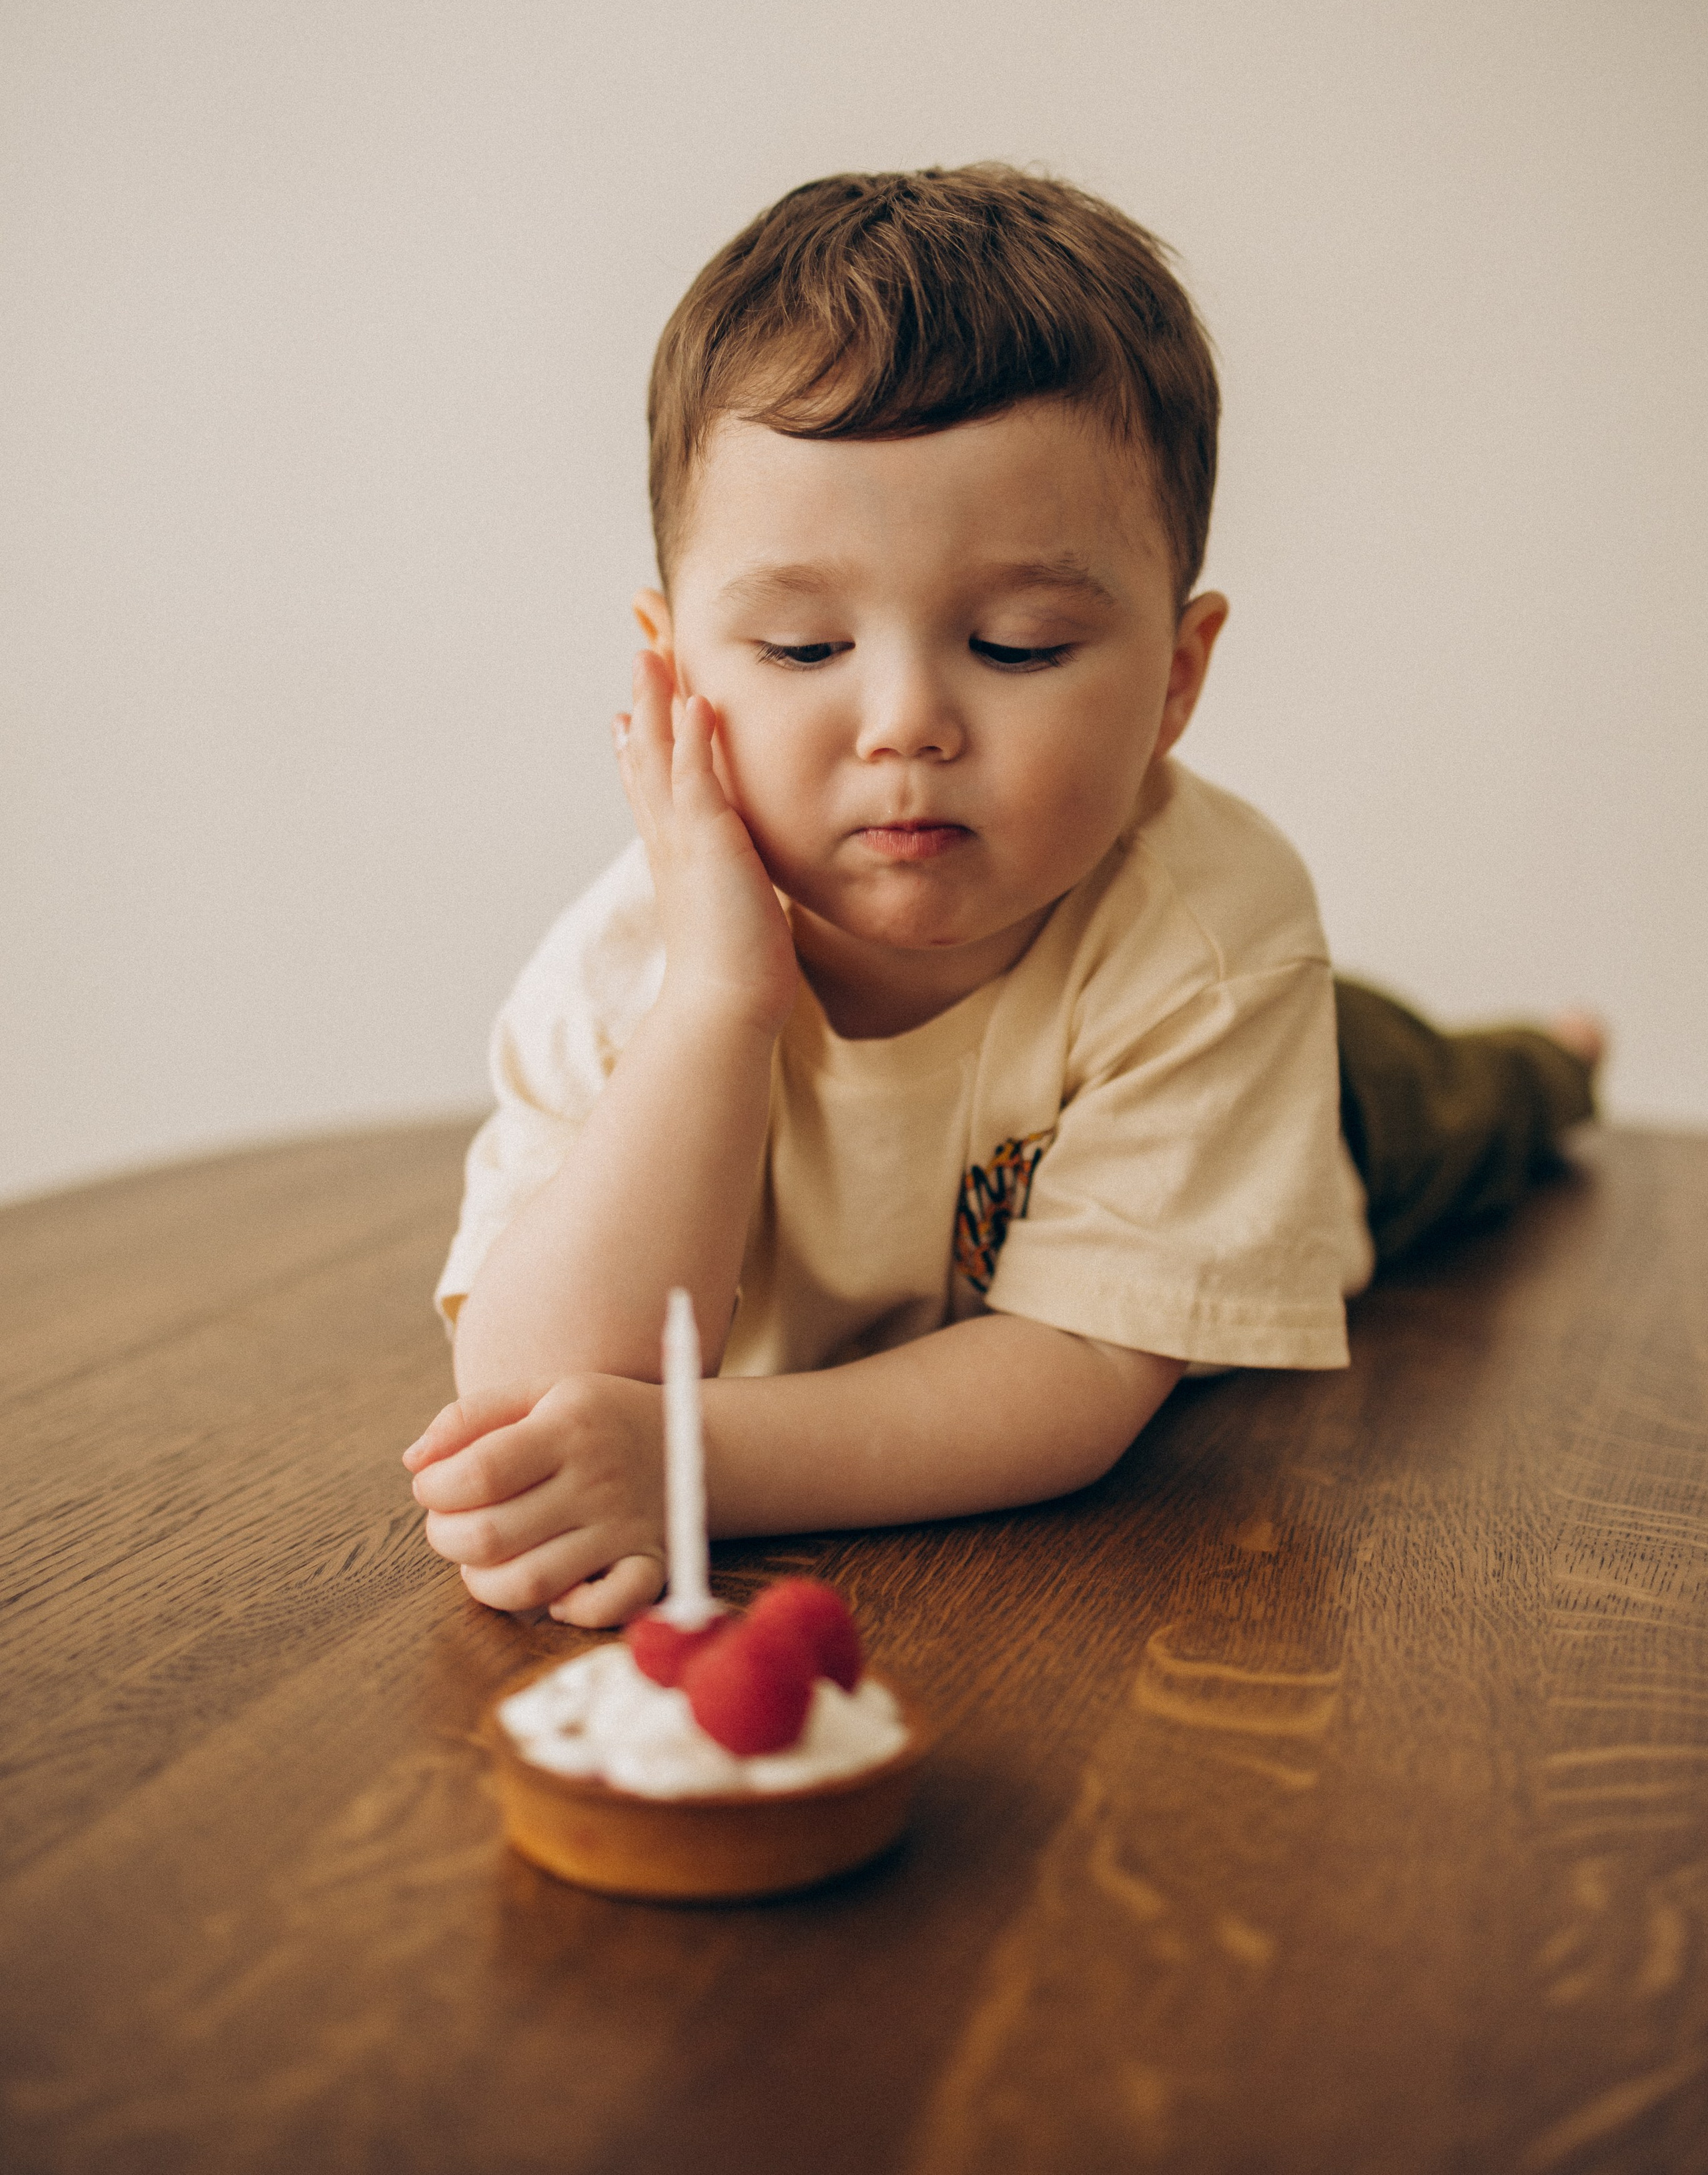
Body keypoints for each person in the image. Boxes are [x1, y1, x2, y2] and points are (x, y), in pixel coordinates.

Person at [404, 165, 1599, 1628]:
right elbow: (529, 1400)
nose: (904, 722)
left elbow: (1076, 1373)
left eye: (1019, 646)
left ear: (1174, 677)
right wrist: (723, 1001)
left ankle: (1557, 1057)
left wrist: (693, 1464)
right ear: (671, 674)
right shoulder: (629, 965)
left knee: (1465, 1099)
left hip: (1324, 1112)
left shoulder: (1214, 939)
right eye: (797, 647)